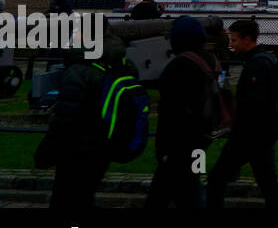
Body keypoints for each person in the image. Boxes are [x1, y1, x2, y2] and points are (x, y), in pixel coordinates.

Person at [35, 34, 128, 209]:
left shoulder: (77, 73)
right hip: (101, 148)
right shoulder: (114, 67)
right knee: (84, 196)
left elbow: (64, 119)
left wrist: (45, 151)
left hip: (74, 149)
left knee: (64, 198)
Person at [146, 16, 220, 208]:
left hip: (179, 145)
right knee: (192, 185)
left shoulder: (179, 66)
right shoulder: (210, 60)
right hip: (202, 139)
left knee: (160, 196)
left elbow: (170, 112)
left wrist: (162, 150)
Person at [207, 19, 278, 208]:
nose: (231, 45)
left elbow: (253, 104)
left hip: (249, 135)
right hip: (264, 133)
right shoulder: (266, 59)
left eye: (234, 40)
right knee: (268, 183)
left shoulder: (256, 65)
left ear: (247, 40)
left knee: (217, 178)